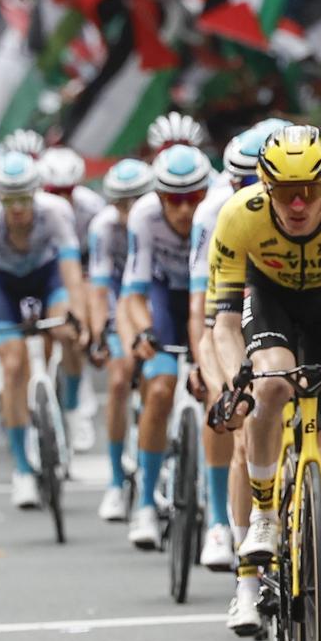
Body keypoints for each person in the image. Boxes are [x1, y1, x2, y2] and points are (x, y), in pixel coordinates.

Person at [209, 125, 321, 641]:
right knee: (272, 381)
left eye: (309, 189)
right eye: (284, 191)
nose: (298, 203)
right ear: (263, 185)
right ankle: (259, 525)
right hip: (272, 301)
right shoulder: (240, 215)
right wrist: (237, 380)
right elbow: (223, 319)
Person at [0, 151, 89, 508]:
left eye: (25, 198)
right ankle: (21, 469)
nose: (18, 208)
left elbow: (70, 273)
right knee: (13, 363)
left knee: (66, 330)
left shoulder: (56, 212)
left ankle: (71, 411)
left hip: (45, 276)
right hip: (5, 283)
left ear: (36, 193)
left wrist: (78, 318)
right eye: (9, 199)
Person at [188, 126, 278, 574]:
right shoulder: (215, 212)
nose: (251, 194)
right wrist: (211, 374)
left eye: (259, 184)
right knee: (227, 402)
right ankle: (219, 525)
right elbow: (204, 312)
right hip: (232, 305)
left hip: (286, 307)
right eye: (240, 184)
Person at [116, 144, 206, 549]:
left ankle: (218, 510)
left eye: (193, 198)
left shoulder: (219, 210)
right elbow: (132, 294)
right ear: (158, 197)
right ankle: (146, 505)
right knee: (160, 388)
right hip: (165, 300)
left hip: (211, 301)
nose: (184, 210)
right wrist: (140, 333)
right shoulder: (143, 216)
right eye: (174, 199)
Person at [89, 159, 155, 522]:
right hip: (119, 301)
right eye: (120, 203)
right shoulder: (103, 228)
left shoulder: (157, 222)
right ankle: (115, 481)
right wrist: (101, 332)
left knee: (155, 379)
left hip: (150, 301)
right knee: (118, 378)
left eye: (136, 201)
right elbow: (99, 291)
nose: (128, 211)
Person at [38, 145, 103, 451]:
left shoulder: (92, 208)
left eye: (68, 191)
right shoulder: (35, 208)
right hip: (43, 269)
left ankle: (76, 405)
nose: (62, 198)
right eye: (54, 191)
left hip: (81, 267)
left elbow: (99, 258)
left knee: (71, 327)